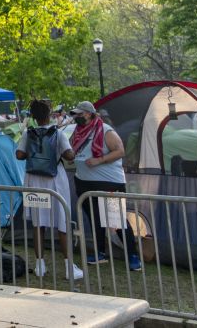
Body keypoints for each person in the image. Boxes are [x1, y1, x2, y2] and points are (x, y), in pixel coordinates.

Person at [15, 100, 84, 280]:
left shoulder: (27, 133)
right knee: (62, 222)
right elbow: (69, 156)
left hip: (34, 180)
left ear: (34, 117)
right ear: (50, 114)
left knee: (38, 223)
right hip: (55, 180)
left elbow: (19, 155)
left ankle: (40, 265)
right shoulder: (58, 133)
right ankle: (69, 267)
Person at [69, 101, 141, 271]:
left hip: (109, 182)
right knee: (95, 220)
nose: (76, 117)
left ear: (88, 114)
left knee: (117, 221)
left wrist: (99, 160)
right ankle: (101, 253)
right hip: (84, 182)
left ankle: (133, 255)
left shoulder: (105, 129)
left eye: (79, 114)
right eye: (75, 114)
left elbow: (120, 151)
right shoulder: (78, 132)